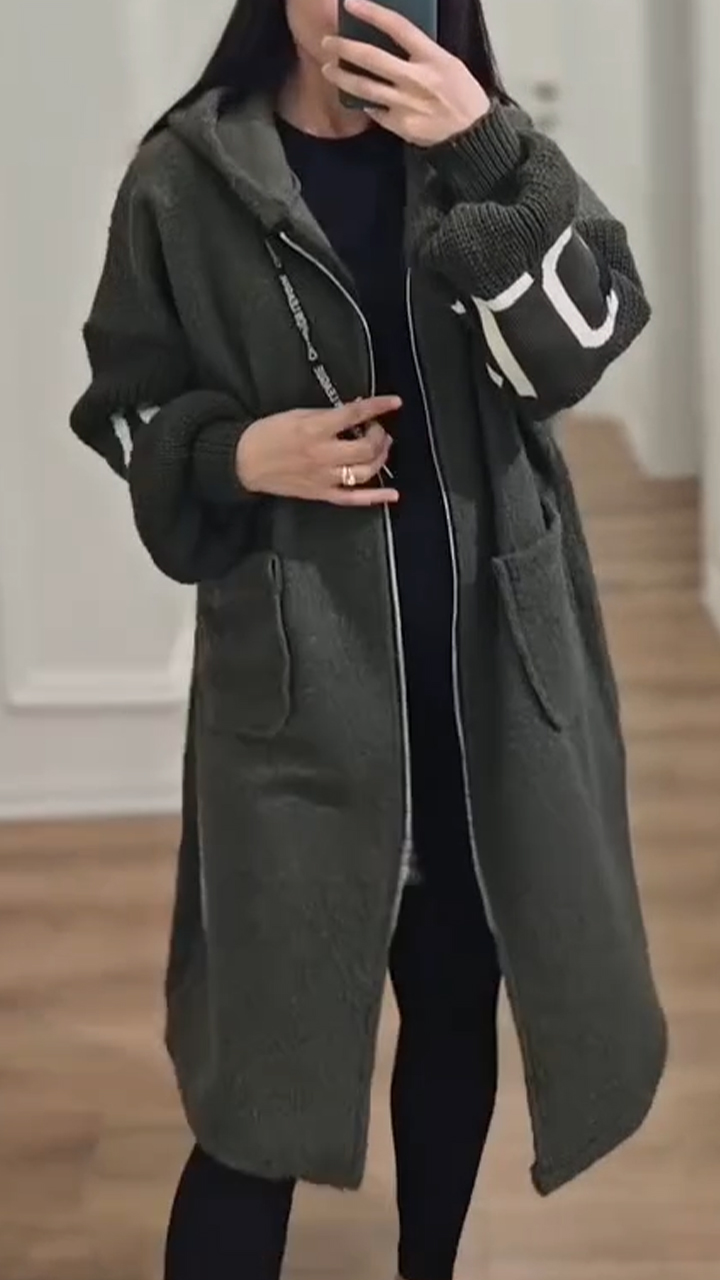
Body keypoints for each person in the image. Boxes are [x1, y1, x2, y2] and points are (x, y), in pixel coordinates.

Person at [70, 0, 668, 1276]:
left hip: (487, 685)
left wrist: (485, 148)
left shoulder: (485, 150)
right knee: (259, 1083)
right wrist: (238, 452)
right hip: (300, 698)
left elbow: (582, 347)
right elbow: (121, 406)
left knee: (454, 1013)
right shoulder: (184, 177)